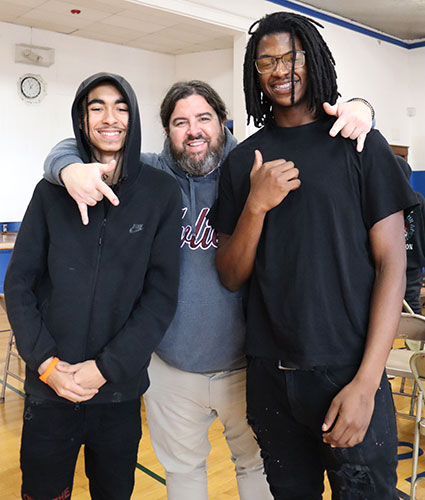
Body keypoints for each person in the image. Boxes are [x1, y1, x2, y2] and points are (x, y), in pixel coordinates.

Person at [43, 81, 373, 500]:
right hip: (170, 365)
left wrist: (362, 107)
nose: (193, 130)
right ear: (166, 132)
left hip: (248, 365)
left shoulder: (252, 166)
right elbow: (68, 148)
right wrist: (68, 169)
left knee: (257, 469)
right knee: (183, 473)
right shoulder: (146, 176)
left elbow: (320, 135)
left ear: (223, 122)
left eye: (204, 119)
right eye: (180, 122)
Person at [210, 12, 418, 499]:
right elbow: (230, 274)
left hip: (348, 372)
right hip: (270, 379)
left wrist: (367, 384)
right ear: (254, 73)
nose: (280, 69)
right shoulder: (245, 160)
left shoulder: (358, 144)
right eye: (266, 61)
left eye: (291, 56)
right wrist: (256, 205)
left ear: (314, 58)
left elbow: (393, 264)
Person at [4, 72, 181, 500]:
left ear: (134, 117)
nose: (110, 117)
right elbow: (20, 283)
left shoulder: (160, 193)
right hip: (50, 388)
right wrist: (45, 364)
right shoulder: (50, 193)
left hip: (116, 391)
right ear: (82, 119)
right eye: (96, 106)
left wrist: (106, 369)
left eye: (121, 107)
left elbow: (160, 297)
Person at [397, 156, 425, 314]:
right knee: (412, 304)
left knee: (411, 304)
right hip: (412, 263)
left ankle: (414, 338)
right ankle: (413, 339)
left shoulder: (418, 201)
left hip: (409, 264)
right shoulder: (419, 199)